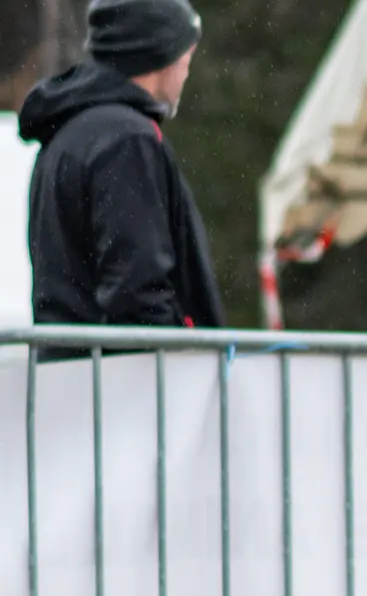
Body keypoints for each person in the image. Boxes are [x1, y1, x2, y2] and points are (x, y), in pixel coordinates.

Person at [17, 0, 222, 349]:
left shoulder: (68, 130)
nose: (187, 70)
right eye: (187, 54)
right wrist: (178, 356)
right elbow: (137, 288)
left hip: (75, 377)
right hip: (127, 383)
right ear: (162, 53)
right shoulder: (127, 139)